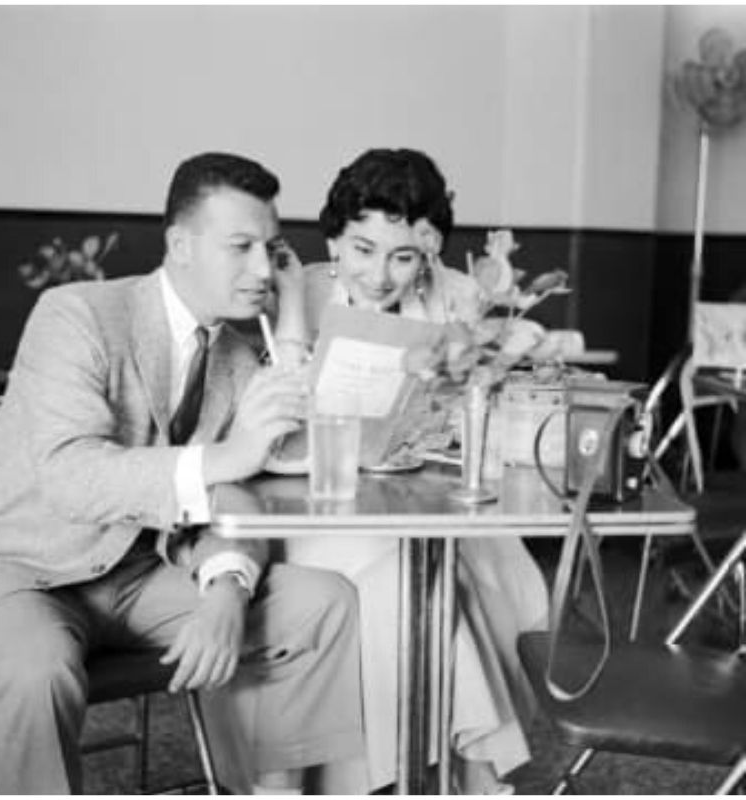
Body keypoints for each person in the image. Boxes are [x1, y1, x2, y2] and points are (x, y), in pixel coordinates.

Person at [0, 152, 364, 794]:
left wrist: (228, 587)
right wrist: (228, 455)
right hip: (21, 570)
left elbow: (249, 486)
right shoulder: (75, 314)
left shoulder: (238, 354)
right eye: (241, 247)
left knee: (323, 604)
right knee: (36, 669)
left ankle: (273, 789)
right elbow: (71, 476)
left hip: (143, 573)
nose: (262, 269)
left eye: (272, 248)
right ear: (181, 245)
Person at [276, 148, 550, 794]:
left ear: (428, 253)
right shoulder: (300, 292)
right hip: (319, 509)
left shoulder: (461, 297)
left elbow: (486, 421)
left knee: (449, 573)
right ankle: (471, 777)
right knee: (412, 581)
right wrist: (289, 309)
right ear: (334, 240)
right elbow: (276, 419)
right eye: (362, 249)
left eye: (402, 257)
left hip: (428, 503)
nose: (379, 275)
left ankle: (412, 778)